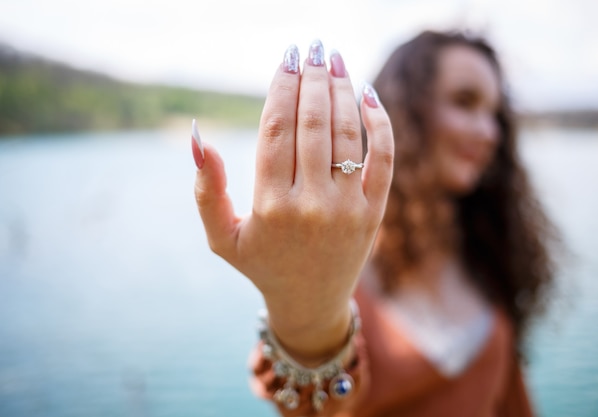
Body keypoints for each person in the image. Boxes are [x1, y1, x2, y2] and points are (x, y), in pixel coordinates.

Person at [191, 30, 556, 417]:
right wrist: (306, 320)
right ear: (405, 109)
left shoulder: (487, 250)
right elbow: (310, 409)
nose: (489, 132)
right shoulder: (338, 257)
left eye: (494, 113)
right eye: (464, 102)